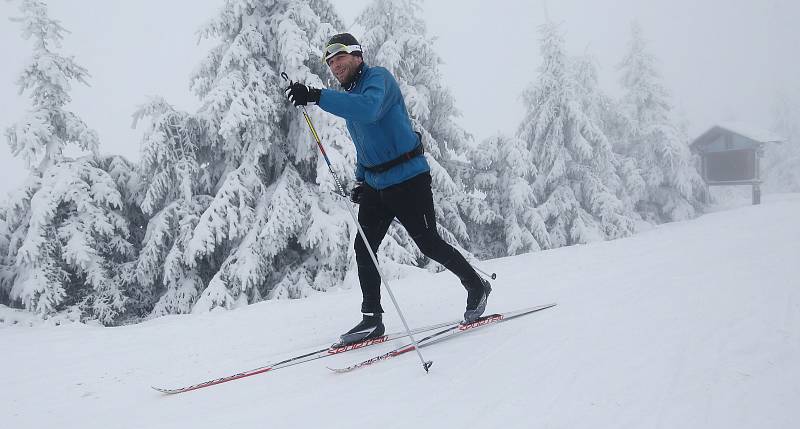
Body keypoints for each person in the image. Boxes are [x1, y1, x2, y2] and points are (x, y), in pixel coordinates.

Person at [285, 33, 491, 346]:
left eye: (340, 57)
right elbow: (365, 143)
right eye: (330, 61)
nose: (335, 65)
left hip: (408, 179)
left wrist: (315, 95)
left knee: (429, 244)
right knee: (364, 247)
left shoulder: (378, 80)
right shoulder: (351, 94)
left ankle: (476, 286)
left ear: (357, 56)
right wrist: (360, 178)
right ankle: (372, 320)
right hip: (376, 184)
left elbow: (368, 110)